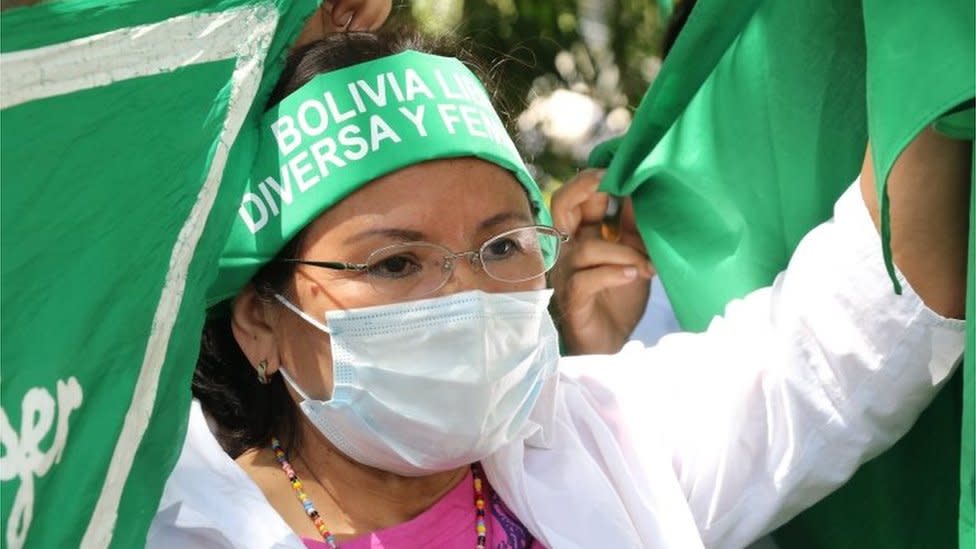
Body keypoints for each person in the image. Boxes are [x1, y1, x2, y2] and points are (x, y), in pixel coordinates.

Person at [148, 30, 968, 549]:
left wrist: (931, 44)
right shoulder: (144, 522)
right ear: (259, 316)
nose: (465, 296)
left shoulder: (604, 438)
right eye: (396, 262)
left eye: (503, 245)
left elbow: (851, 338)